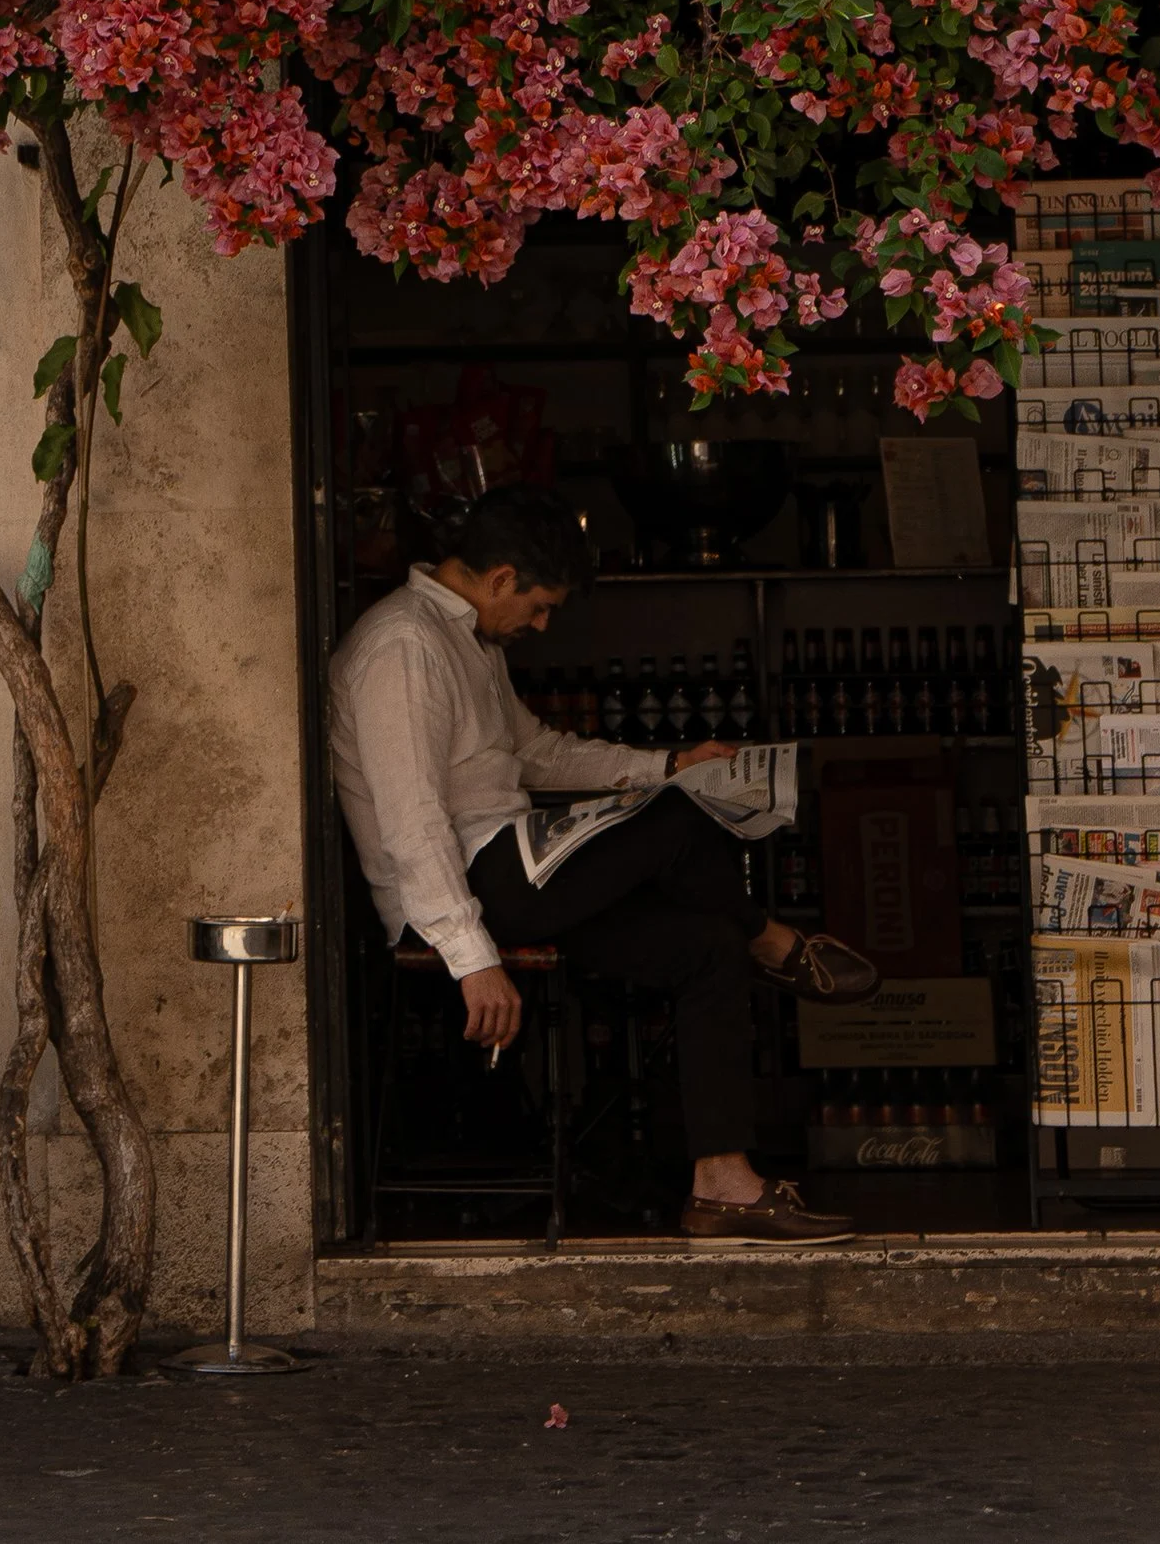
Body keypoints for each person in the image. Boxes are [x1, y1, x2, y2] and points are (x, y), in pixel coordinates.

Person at [329, 484, 880, 1245]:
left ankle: (723, 1185)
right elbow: (410, 821)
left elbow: (538, 752)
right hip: (474, 888)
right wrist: (470, 958)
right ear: (499, 581)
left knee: (704, 949)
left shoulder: (468, 639)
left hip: (524, 870)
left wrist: (671, 761)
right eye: (541, 605)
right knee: (680, 821)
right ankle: (769, 937)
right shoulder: (404, 646)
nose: (542, 624)